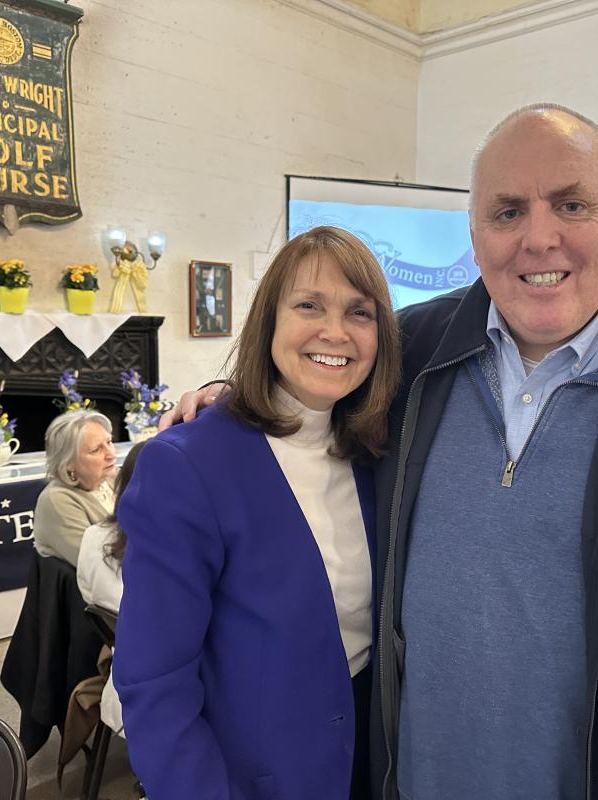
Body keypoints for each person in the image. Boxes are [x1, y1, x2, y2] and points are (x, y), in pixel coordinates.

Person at [161, 105, 598, 800]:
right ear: (476, 235)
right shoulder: (409, 354)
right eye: (507, 212)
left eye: (571, 204)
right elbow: (312, 384)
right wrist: (232, 399)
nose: (538, 238)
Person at [114, 226, 401, 800]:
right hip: (255, 778)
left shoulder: (379, 453)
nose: (335, 331)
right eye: (308, 305)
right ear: (269, 319)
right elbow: (154, 683)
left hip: (373, 763)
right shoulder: (189, 464)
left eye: (359, 313)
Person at [76, 441, 146, 737]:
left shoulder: (94, 535)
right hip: (161, 691)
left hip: (122, 674)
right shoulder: (171, 549)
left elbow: (87, 593)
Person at [33, 410, 117, 566]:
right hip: (97, 584)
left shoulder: (113, 477)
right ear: (68, 463)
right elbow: (98, 563)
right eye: (96, 449)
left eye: (109, 442)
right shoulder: (57, 500)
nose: (111, 454)